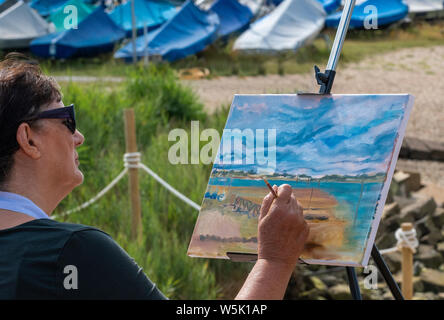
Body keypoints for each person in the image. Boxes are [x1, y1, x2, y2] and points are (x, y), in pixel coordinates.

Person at [0, 53, 309, 300]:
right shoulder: (74, 251)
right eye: (67, 118)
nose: (78, 136)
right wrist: (274, 262)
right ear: (28, 139)